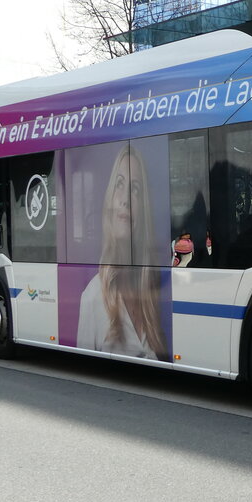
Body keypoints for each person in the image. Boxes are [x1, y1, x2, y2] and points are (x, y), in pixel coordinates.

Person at [77, 146, 169, 360]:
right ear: (109, 200)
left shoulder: (152, 297)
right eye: (119, 185)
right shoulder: (92, 298)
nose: (125, 199)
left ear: (143, 209)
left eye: (135, 189)